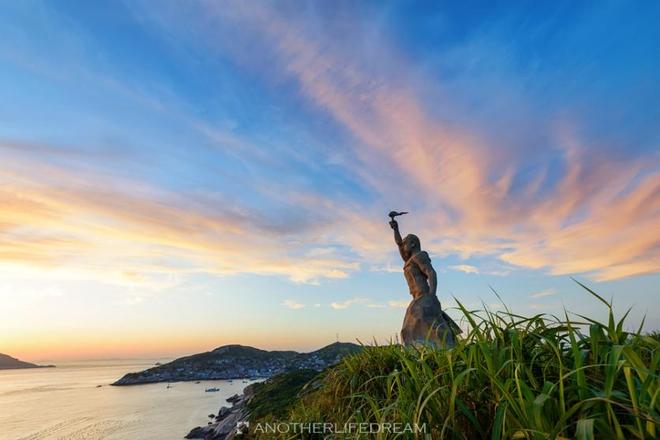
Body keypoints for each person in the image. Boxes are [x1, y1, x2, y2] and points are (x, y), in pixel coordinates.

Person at [390, 218, 460, 347]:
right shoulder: (410, 260)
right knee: (412, 328)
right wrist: (396, 229)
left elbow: (431, 273)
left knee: (419, 327)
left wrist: (432, 296)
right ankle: (423, 350)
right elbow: (399, 244)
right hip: (417, 297)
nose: (403, 247)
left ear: (413, 244)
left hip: (424, 296)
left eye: (406, 244)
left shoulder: (419, 256)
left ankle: (441, 348)